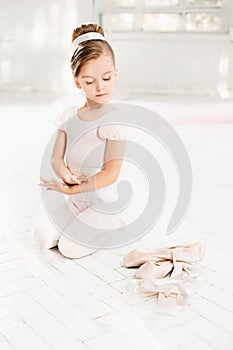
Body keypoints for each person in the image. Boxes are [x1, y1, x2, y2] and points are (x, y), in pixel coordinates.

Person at [34, 23, 127, 258]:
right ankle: (76, 219)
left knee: (69, 249)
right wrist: (66, 176)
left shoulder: (114, 122)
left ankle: (113, 222)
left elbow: (111, 173)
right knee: (42, 239)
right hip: (73, 196)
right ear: (78, 82)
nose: (99, 87)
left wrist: (77, 189)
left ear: (115, 74)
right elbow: (56, 157)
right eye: (89, 81)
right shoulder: (68, 116)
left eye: (106, 78)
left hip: (100, 201)